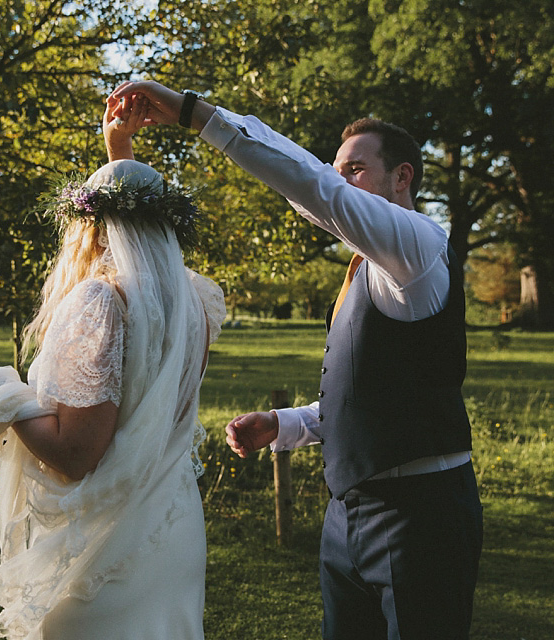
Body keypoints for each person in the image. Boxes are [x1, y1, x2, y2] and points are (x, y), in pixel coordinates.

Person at [109, 80, 482, 640]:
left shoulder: (421, 248)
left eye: (354, 169)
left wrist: (195, 114)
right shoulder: (365, 270)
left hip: (421, 517)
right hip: (348, 517)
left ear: (402, 177)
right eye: (338, 168)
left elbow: (311, 187)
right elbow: (372, 395)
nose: (339, 179)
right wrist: (286, 426)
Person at [0, 96, 226, 640]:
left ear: (89, 226)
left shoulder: (101, 303)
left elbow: (77, 454)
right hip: (172, 533)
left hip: (108, 549)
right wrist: (118, 155)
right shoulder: (194, 301)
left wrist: (7, 402)